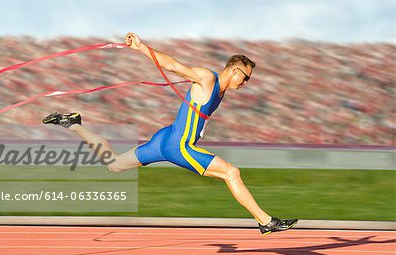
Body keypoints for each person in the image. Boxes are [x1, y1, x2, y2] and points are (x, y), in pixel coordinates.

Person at [42, 32, 297, 234]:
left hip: (164, 138)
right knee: (232, 173)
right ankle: (265, 221)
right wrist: (141, 47)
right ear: (234, 70)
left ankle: (73, 124)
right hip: (178, 145)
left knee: (114, 164)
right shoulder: (207, 79)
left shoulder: (220, 91)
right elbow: (174, 65)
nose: (246, 83)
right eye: (246, 78)